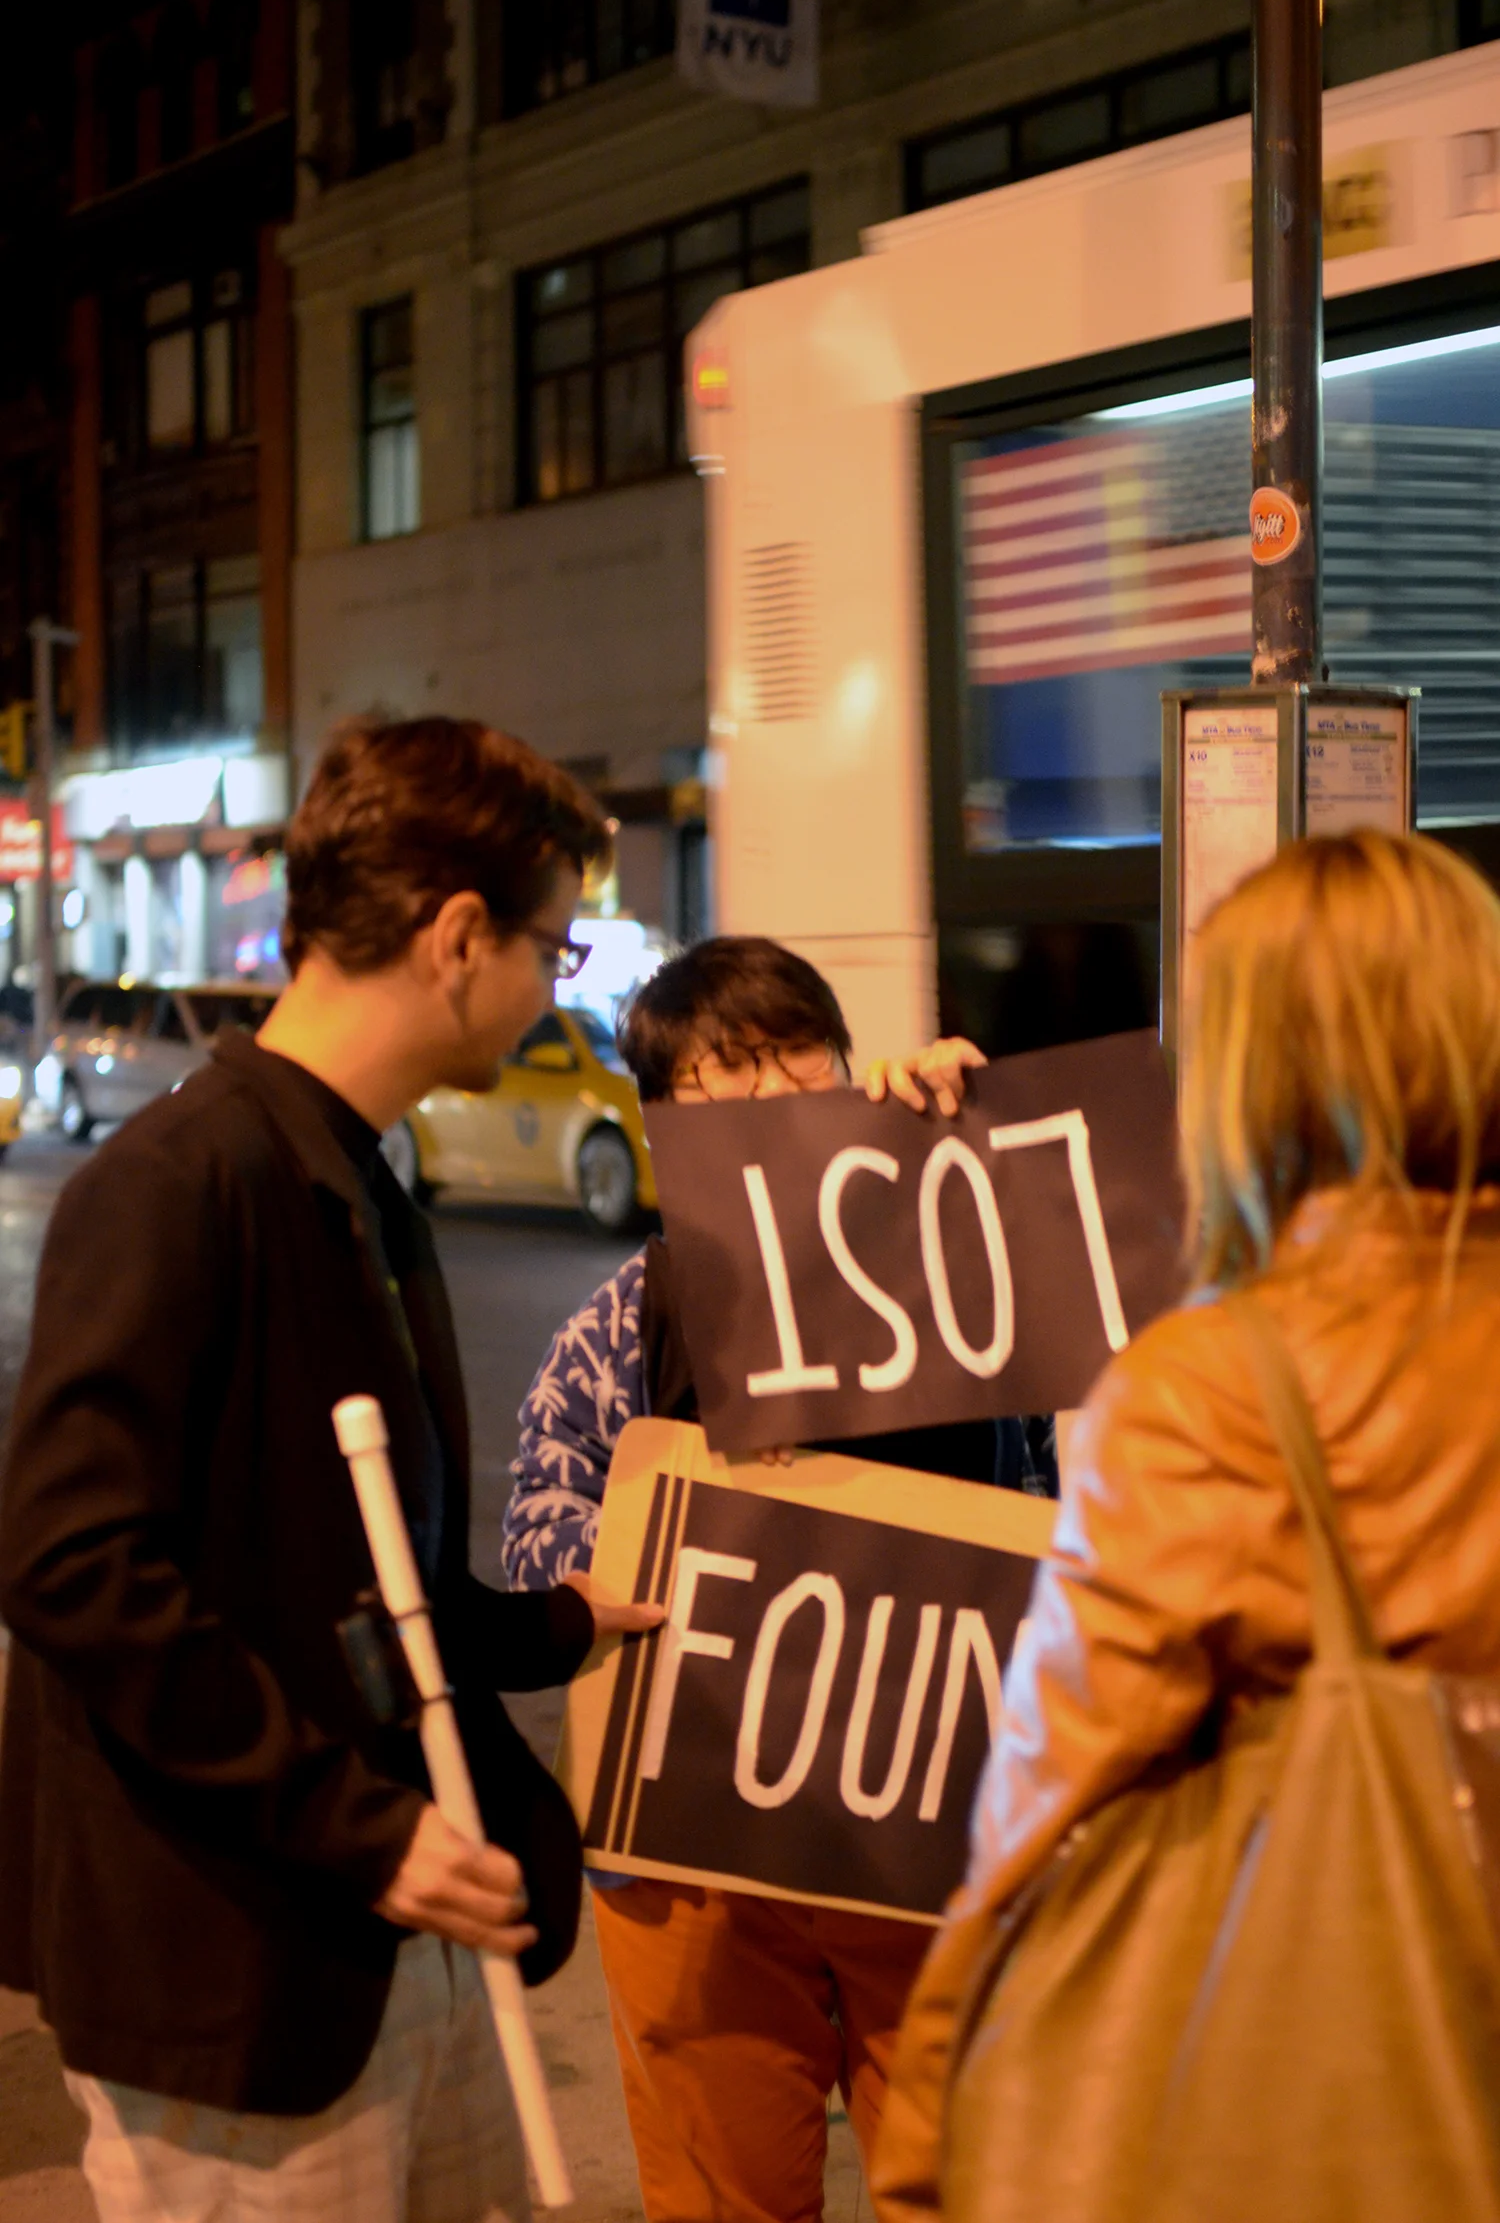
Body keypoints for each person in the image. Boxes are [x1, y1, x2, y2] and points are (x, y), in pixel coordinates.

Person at [0, 716, 662, 2223]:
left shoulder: (354, 1178)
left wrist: (562, 1621)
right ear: (457, 938)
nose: (552, 988)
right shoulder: (178, 1183)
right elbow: (69, 1566)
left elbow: (357, 1580)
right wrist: (358, 1831)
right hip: (238, 1974)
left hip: (387, 1926)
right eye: (552, 951)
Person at [871, 828, 1500, 2220]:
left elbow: (1049, 1814)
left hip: (1358, 2094)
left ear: (1252, 1074)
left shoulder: (1215, 1391)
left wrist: (927, 2153)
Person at [503, 934, 1057, 2223]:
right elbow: (541, 1551)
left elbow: (1045, 1519)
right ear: (661, 1124)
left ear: (849, 1067)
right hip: (699, 1857)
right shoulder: (618, 1325)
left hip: (928, 1840)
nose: (764, 1094)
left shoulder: (957, 1275)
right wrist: (659, 1547)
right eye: (719, 1075)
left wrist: (973, 1142)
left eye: (793, 1055)